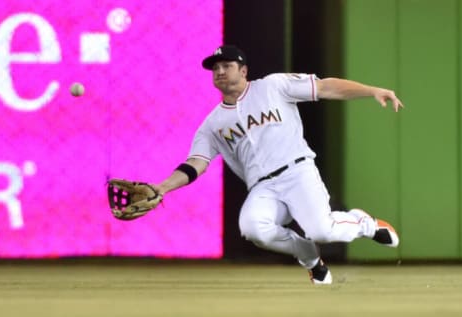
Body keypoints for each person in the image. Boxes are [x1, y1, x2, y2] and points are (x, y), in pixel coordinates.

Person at [151, 45, 403, 285]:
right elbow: (195, 164)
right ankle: (310, 257)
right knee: (252, 228)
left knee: (323, 232)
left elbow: (325, 87)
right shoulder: (212, 125)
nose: (219, 72)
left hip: (297, 172)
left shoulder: (273, 86)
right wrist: (162, 187)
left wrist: (371, 90)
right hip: (263, 188)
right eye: (215, 68)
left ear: (243, 70)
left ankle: (364, 223)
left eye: (226, 65)